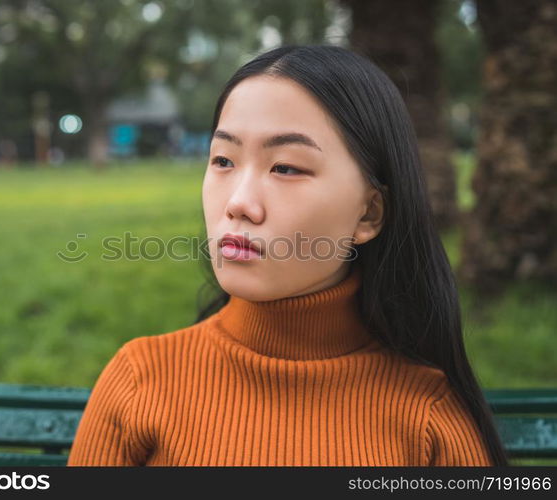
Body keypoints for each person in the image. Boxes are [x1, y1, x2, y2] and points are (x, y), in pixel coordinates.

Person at [67, 44, 509, 466]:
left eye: (286, 167)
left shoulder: (428, 418)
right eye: (223, 160)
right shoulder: (141, 380)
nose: (239, 202)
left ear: (369, 213)